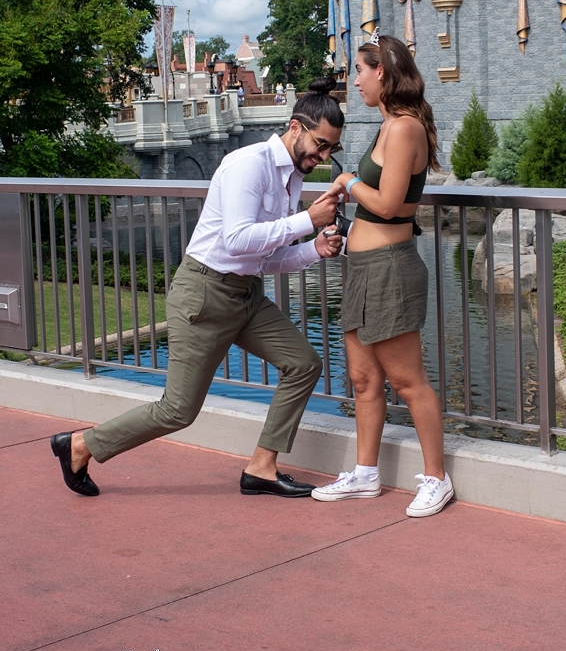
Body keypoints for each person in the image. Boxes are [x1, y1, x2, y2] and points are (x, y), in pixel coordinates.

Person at [50, 81, 347, 498]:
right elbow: (237, 241)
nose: (324, 156)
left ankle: (262, 468)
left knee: (304, 364)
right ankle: (80, 445)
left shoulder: (291, 177)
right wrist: (307, 222)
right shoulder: (250, 164)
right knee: (178, 410)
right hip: (204, 294)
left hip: (245, 294)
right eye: (320, 144)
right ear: (296, 127)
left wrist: (313, 249)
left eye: (331, 149)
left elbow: (260, 258)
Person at [310, 33, 451, 517]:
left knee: (408, 380)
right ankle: (366, 474)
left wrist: (347, 180)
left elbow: (391, 206)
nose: (354, 81)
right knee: (363, 378)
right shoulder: (387, 126)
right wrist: (350, 190)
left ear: (382, 74)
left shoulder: (405, 127)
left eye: (359, 71)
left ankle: (437, 478)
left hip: (391, 268)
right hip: (364, 266)